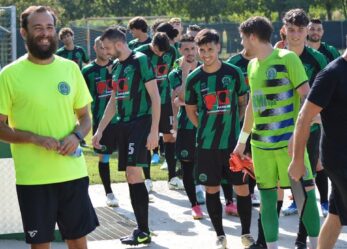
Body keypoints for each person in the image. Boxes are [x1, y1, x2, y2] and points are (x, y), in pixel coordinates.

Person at [0, 6, 99, 249]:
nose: (45, 33)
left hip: (72, 174)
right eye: (37, 28)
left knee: (78, 240)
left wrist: (76, 136)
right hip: (33, 178)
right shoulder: (9, 75)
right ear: (24, 33)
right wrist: (34, 138)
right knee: (41, 243)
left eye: (49, 27)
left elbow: (85, 117)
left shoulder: (70, 68)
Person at [233, 16, 319, 249]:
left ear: (252, 37)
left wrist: (297, 135)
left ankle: (316, 245)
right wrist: (243, 141)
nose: (242, 44)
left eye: (243, 38)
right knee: (267, 201)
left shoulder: (287, 58)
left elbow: (307, 97)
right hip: (261, 148)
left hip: (288, 146)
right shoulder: (251, 65)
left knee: (305, 197)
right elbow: (253, 104)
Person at [186, 29, 255, 249]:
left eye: (210, 49)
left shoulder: (234, 72)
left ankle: (246, 234)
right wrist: (206, 128)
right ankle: (220, 236)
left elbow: (244, 102)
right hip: (206, 146)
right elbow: (190, 110)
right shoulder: (194, 78)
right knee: (211, 189)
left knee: (242, 189)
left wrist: (237, 127)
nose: (206, 54)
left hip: (234, 145)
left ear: (218, 48)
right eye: (202, 50)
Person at [92, 26, 160, 246]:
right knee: (131, 176)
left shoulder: (140, 60)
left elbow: (156, 98)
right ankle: (141, 230)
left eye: (108, 47)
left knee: (133, 172)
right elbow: (113, 100)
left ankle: (143, 230)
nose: (106, 51)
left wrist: (153, 131)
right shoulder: (117, 67)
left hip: (140, 123)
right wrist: (100, 129)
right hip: (123, 125)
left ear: (119, 44)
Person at [288, 49, 347, 249]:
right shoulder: (331, 74)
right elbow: (304, 118)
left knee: (336, 214)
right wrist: (297, 160)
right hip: (340, 158)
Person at [282, 9, 327, 249]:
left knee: (303, 181)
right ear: (284, 30)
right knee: (282, 183)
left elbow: (325, 94)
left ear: (307, 30)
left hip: (309, 127)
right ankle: (264, 237)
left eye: (300, 30)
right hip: (279, 128)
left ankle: (302, 237)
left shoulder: (317, 60)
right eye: (291, 29)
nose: (296, 35)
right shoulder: (276, 56)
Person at [135, 32, 184, 190]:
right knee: (147, 140)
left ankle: (172, 177)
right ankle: (148, 180)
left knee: (170, 138)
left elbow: (173, 71)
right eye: (157, 51)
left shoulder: (171, 51)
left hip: (165, 101)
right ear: (152, 44)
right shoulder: (141, 53)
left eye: (163, 52)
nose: (161, 54)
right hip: (146, 104)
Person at [82, 36, 119, 207]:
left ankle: (143, 185)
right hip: (100, 120)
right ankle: (109, 192)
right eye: (101, 47)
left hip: (122, 119)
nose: (105, 51)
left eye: (107, 47)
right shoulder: (88, 71)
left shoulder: (119, 65)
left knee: (130, 157)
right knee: (103, 157)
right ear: (95, 49)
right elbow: (82, 98)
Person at [169, 34, 203, 219]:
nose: (190, 53)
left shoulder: (207, 69)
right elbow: (179, 98)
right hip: (185, 126)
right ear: (180, 51)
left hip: (207, 126)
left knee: (213, 165)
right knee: (188, 167)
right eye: (186, 49)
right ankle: (195, 204)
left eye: (193, 48)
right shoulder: (174, 74)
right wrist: (184, 73)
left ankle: (229, 201)